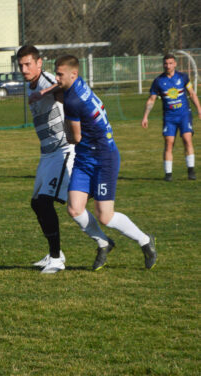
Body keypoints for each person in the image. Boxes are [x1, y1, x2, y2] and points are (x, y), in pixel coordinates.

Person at [55, 55, 157, 271]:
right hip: (85, 158)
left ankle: (145, 240)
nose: (56, 78)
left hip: (104, 157)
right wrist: (46, 93)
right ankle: (104, 243)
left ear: (73, 74)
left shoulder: (73, 101)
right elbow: (59, 89)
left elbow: (75, 138)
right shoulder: (79, 85)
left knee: (105, 216)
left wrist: (63, 127)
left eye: (59, 74)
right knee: (74, 209)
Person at [16, 45, 75, 274]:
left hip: (63, 149)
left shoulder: (47, 80)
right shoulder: (31, 83)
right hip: (47, 152)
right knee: (36, 203)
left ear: (39, 63)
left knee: (45, 202)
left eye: (28, 64)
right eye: (20, 65)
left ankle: (57, 258)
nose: (24, 69)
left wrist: (42, 93)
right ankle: (55, 254)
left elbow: (64, 89)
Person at [141, 53, 201, 181]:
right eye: (166, 63)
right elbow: (151, 99)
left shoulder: (183, 77)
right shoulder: (158, 81)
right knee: (169, 143)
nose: (168, 66)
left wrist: (199, 110)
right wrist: (145, 116)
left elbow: (192, 93)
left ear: (175, 64)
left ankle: (191, 171)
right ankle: (168, 174)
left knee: (187, 140)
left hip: (184, 115)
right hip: (169, 118)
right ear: (163, 65)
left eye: (170, 63)